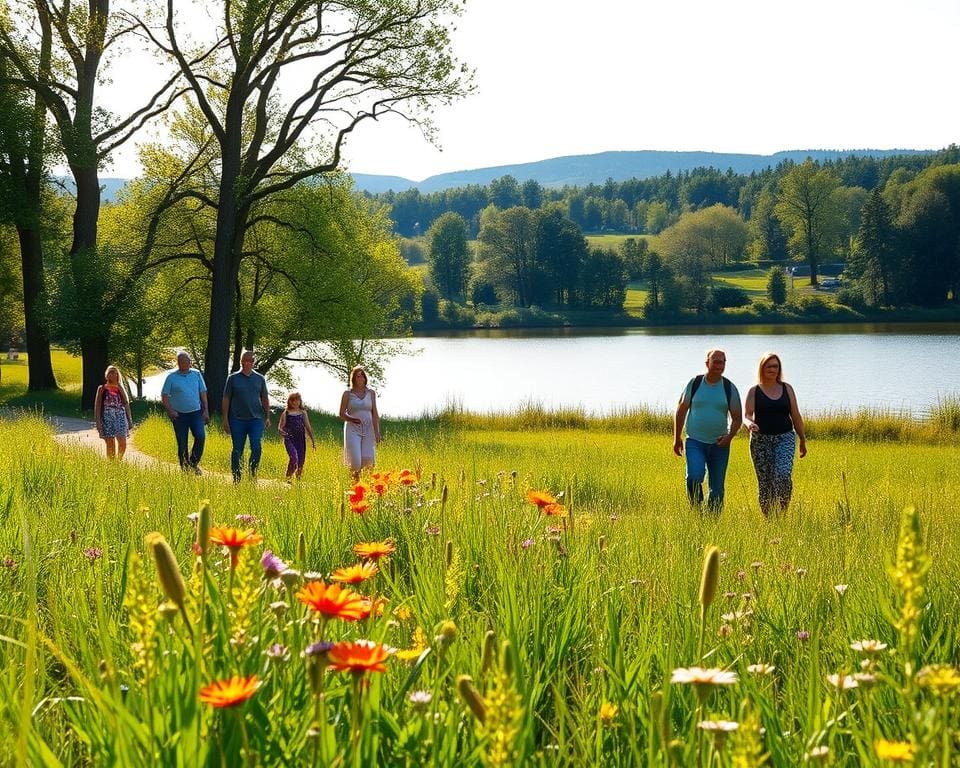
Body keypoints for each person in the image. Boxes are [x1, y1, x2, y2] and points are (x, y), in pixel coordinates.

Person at [673, 348, 742, 513]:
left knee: (717, 490)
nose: (720, 365)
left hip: (720, 445)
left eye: (723, 361)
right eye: (716, 361)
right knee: (694, 477)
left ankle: (712, 523)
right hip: (695, 442)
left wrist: (729, 437)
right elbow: (681, 410)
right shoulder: (695, 383)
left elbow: (737, 418)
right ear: (707, 363)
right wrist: (677, 437)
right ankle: (697, 511)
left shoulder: (729, 387)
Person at [743, 352, 807, 516]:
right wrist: (750, 424)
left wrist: (802, 440)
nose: (773, 369)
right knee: (765, 482)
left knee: (783, 476)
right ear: (762, 368)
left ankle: (782, 514)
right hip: (760, 440)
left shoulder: (787, 388)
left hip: (785, 438)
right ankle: (769, 520)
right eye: (769, 366)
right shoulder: (754, 391)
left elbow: (796, 415)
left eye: (776, 366)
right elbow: (747, 415)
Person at [222, 349, 271, 482]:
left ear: (253, 363)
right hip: (237, 420)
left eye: (250, 361)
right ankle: (236, 477)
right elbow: (226, 399)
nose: (248, 363)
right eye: (245, 361)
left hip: (256, 420)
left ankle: (252, 474)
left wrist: (267, 417)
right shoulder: (233, 378)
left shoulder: (259, 379)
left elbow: (265, 398)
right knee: (238, 449)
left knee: (256, 447)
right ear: (241, 361)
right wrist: (225, 419)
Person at [160, 352, 209, 473]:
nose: (184, 364)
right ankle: (185, 469)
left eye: (186, 361)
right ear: (178, 363)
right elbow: (164, 396)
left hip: (196, 413)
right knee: (182, 443)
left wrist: (206, 410)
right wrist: (170, 411)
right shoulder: (171, 377)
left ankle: (193, 463)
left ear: (190, 362)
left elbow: (203, 393)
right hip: (179, 416)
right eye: (181, 362)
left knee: (200, 436)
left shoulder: (197, 374)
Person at [339, 365, 381, 482]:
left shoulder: (371, 393)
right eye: (358, 376)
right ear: (353, 379)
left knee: (368, 461)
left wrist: (377, 433)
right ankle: (354, 485)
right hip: (353, 429)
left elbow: (375, 414)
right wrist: (352, 419)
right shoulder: (347, 394)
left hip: (369, 429)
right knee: (356, 462)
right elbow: (341, 413)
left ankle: (365, 488)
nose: (361, 377)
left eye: (362, 375)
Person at [94, 365, 133, 459]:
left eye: (115, 373)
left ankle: (118, 460)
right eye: (111, 372)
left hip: (120, 417)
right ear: (107, 375)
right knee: (110, 443)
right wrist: (98, 423)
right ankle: (112, 465)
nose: (113, 374)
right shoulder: (102, 388)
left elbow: (126, 403)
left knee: (122, 442)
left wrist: (130, 420)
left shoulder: (120, 388)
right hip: (107, 417)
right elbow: (98, 406)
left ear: (118, 375)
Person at [278, 391, 315, 482]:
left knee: (301, 461)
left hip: (300, 439)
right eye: (293, 400)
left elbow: (308, 426)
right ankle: (288, 477)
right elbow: (280, 427)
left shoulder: (303, 413)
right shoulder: (286, 413)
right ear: (289, 401)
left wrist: (313, 440)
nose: (295, 402)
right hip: (289, 438)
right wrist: (282, 432)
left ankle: (298, 482)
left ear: (300, 401)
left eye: (297, 400)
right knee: (294, 457)